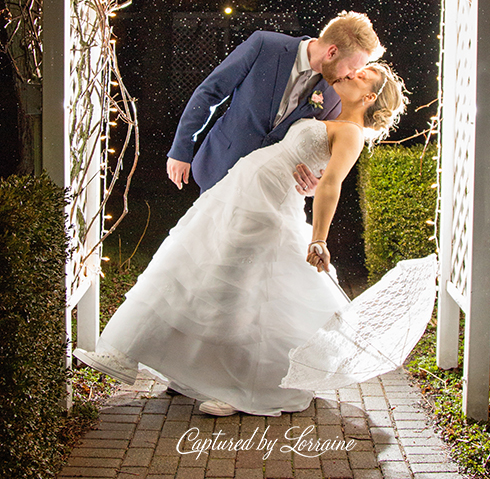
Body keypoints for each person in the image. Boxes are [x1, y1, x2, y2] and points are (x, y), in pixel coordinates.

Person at [75, 62, 407, 417]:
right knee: (183, 267)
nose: (351, 73)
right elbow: (313, 171)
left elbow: (330, 184)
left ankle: (238, 388)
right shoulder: (328, 113)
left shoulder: (352, 133)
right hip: (238, 191)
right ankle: (125, 353)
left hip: (268, 206)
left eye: (361, 76)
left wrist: (319, 239)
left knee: (237, 291)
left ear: (370, 97)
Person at [167, 11, 383, 193]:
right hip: (220, 167)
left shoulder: (336, 94)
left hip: (271, 191)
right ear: (332, 52)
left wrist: (317, 186)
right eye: (352, 68)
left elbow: (322, 149)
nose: (353, 75)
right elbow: (210, 92)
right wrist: (181, 149)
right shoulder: (264, 45)